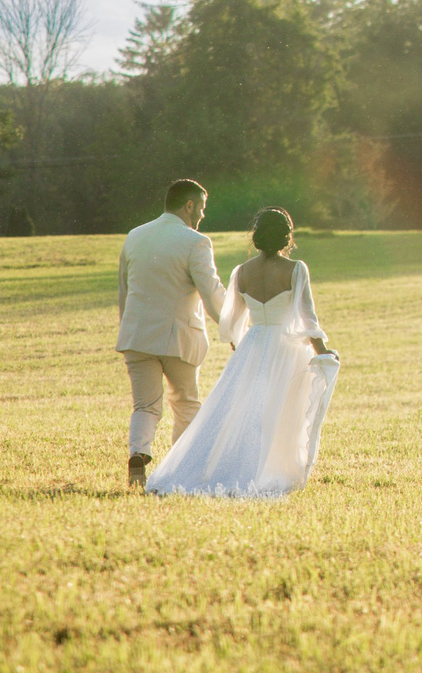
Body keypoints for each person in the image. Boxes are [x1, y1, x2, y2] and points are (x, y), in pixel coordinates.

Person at [145, 206, 341, 499]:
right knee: (277, 411)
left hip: (253, 343)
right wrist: (323, 352)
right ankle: (263, 471)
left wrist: (243, 347)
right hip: (285, 349)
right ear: (287, 236)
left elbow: (233, 322)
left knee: (243, 410)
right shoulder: (296, 269)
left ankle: (219, 466)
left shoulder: (242, 271)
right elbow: (307, 316)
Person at [115, 178, 227, 489]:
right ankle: (183, 470)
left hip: (136, 336)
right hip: (179, 338)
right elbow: (211, 292)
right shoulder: (195, 242)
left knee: (145, 406)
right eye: (201, 209)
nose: (202, 216)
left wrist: (129, 328)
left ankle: (138, 455)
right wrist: (232, 326)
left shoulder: (135, 237)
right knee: (186, 402)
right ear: (189, 205)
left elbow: (124, 290)